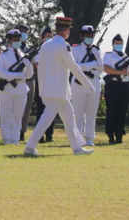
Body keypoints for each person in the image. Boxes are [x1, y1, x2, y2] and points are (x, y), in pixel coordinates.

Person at [23, 17, 95, 156]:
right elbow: (73, 66)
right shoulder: (63, 46)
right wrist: (88, 84)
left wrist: (42, 86)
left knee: (69, 117)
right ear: (66, 31)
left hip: (51, 89)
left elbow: (42, 68)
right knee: (47, 117)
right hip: (58, 90)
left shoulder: (46, 45)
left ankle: (77, 148)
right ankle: (30, 146)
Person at [0, 30, 34, 145]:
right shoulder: (4, 55)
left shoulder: (22, 54)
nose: (17, 41)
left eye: (18, 39)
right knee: (6, 114)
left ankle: (15, 138)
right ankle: (6, 138)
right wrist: (16, 75)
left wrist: (28, 65)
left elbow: (29, 75)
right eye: (15, 39)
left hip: (21, 88)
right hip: (7, 88)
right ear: (9, 40)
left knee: (18, 115)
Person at [70, 25, 104, 146]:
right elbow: (75, 66)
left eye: (92, 35)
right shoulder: (75, 49)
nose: (90, 37)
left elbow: (101, 69)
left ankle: (89, 137)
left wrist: (98, 56)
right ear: (82, 36)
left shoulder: (96, 50)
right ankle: (78, 138)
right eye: (88, 35)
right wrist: (91, 64)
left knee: (91, 111)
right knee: (78, 112)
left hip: (94, 81)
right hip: (79, 83)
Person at [102, 34, 129, 144]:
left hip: (124, 85)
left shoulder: (125, 56)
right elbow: (106, 68)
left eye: (120, 43)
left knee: (122, 111)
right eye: (116, 43)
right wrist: (119, 72)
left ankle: (119, 135)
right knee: (112, 110)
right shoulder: (109, 55)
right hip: (113, 85)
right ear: (112, 44)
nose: (119, 45)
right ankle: (111, 135)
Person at [32, 27, 56, 143]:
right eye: (47, 37)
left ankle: (49, 135)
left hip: (53, 82)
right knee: (41, 109)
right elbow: (38, 66)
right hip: (42, 83)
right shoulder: (39, 52)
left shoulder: (56, 52)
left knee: (52, 109)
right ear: (42, 39)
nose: (49, 39)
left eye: (51, 37)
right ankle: (40, 136)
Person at [16, 24, 35, 142]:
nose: (24, 34)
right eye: (21, 32)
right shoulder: (11, 49)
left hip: (28, 80)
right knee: (14, 108)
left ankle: (22, 132)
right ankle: (12, 132)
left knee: (26, 107)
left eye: (25, 32)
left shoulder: (31, 50)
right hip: (14, 80)